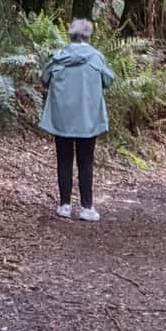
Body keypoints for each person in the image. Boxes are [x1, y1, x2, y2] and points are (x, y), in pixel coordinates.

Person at [40, 19, 114, 221]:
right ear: (88, 35)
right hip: (87, 119)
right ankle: (86, 207)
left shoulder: (58, 57)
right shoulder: (96, 58)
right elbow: (109, 80)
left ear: (70, 35)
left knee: (63, 160)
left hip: (61, 118)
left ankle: (64, 205)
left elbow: (44, 78)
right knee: (86, 161)